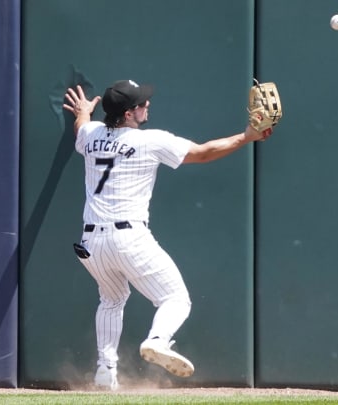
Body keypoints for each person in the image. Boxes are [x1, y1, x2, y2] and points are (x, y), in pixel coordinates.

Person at [62, 79, 272, 390]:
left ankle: (105, 372)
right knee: (175, 298)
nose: (148, 105)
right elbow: (202, 153)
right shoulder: (150, 141)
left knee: (112, 299)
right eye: (142, 103)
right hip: (127, 237)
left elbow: (81, 127)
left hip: (91, 243)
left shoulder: (90, 135)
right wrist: (246, 136)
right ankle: (158, 341)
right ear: (130, 113)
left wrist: (82, 112)